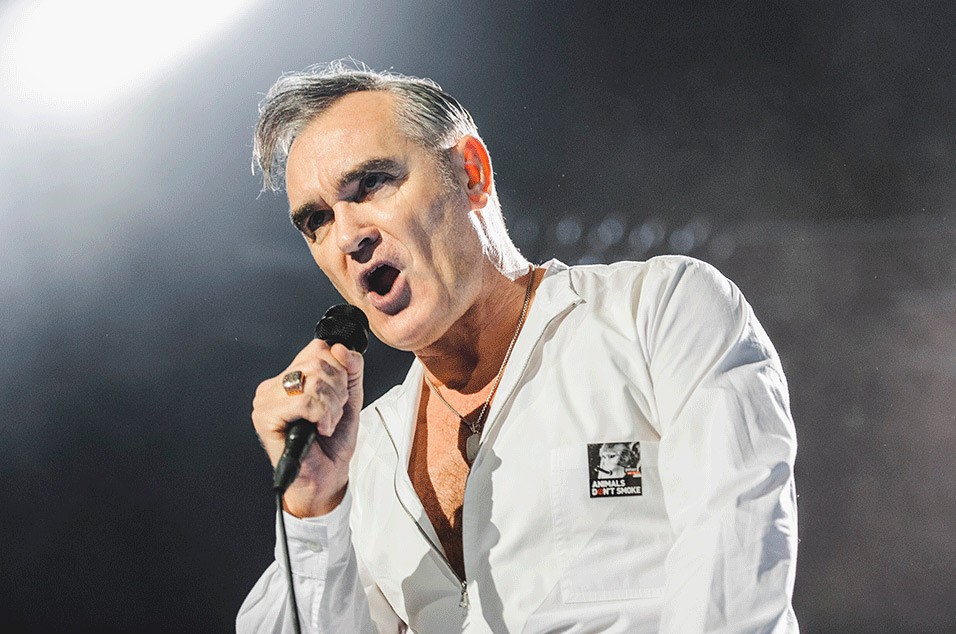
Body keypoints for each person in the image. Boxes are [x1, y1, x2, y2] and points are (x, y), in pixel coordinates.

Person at [237, 61, 799, 633]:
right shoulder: (359, 452)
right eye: (317, 220)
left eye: (372, 184)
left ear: (471, 173)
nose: (347, 236)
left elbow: (735, 580)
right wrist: (311, 506)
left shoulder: (657, 313)